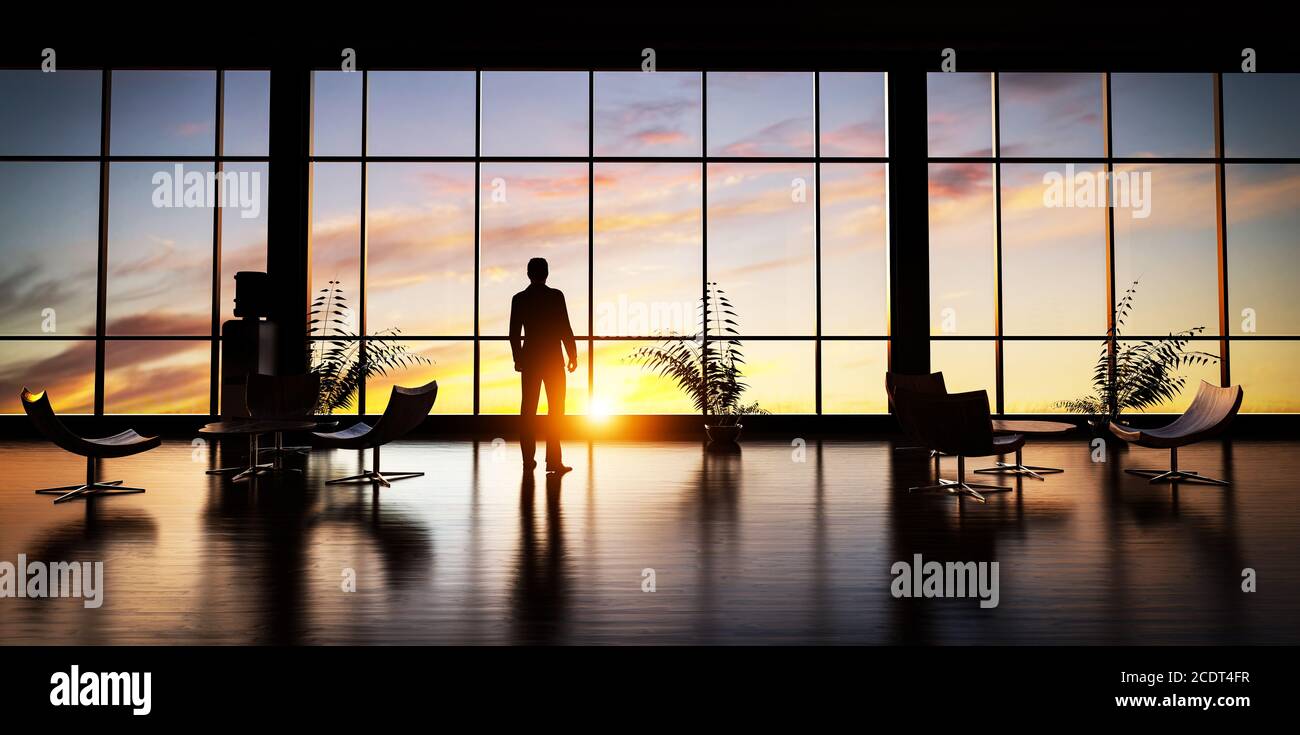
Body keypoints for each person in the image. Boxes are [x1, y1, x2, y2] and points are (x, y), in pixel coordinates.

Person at [509, 257, 577, 473]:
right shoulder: (556, 297)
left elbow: (513, 334)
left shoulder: (519, 299)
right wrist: (572, 354)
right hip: (553, 360)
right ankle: (554, 461)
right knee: (556, 410)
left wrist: (518, 358)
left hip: (530, 360)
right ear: (547, 274)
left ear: (528, 274)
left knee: (528, 409)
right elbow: (565, 327)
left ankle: (528, 460)